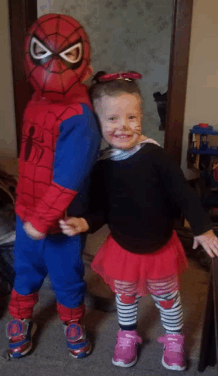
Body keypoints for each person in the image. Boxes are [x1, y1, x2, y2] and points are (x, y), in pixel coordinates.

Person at [59, 71, 218, 371]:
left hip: (160, 247)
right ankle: (127, 334)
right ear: (97, 123)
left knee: (167, 297)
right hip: (123, 248)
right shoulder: (103, 166)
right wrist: (84, 223)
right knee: (125, 295)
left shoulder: (153, 155)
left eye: (131, 117)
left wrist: (202, 227)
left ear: (142, 117)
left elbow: (182, 192)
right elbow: (101, 210)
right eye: (112, 119)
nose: (123, 126)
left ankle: (174, 339)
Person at [6, 14, 101, 359]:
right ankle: (20, 317)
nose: (52, 65)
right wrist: (26, 211)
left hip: (61, 219)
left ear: (83, 64)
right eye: (43, 54)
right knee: (25, 269)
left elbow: (69, 176)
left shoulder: (80, 115)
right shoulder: (34, 101)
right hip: (26, 209)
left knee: (67, 274)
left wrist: (42, 219)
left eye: (66, 55)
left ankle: (72, 320)